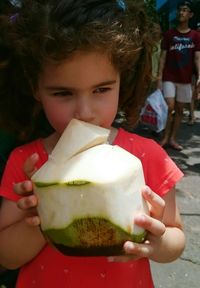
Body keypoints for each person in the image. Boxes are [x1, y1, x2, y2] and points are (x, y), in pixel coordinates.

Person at [0, 1, 185, 287]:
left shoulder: (147, 156)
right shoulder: (28, 163)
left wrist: (157, 243)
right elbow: (7, 257)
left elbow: (176, 237)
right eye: (63, 93)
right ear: (35, 87)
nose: (84, 112)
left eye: (101, 89)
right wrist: (42, 215)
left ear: (122, 80)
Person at [157, 0, 200, 150]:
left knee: (180, 110)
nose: (181, 12)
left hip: (186, 78)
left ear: (190, 14)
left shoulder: (195, 36)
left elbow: (197, 57)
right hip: (169, 76)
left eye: (185, 10)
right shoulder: (169, 34)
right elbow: (162, 57)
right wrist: (159, 77)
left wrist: (199, 75)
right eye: (180, 10)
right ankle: (165, 137)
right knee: (170, 107)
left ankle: (173, 139)